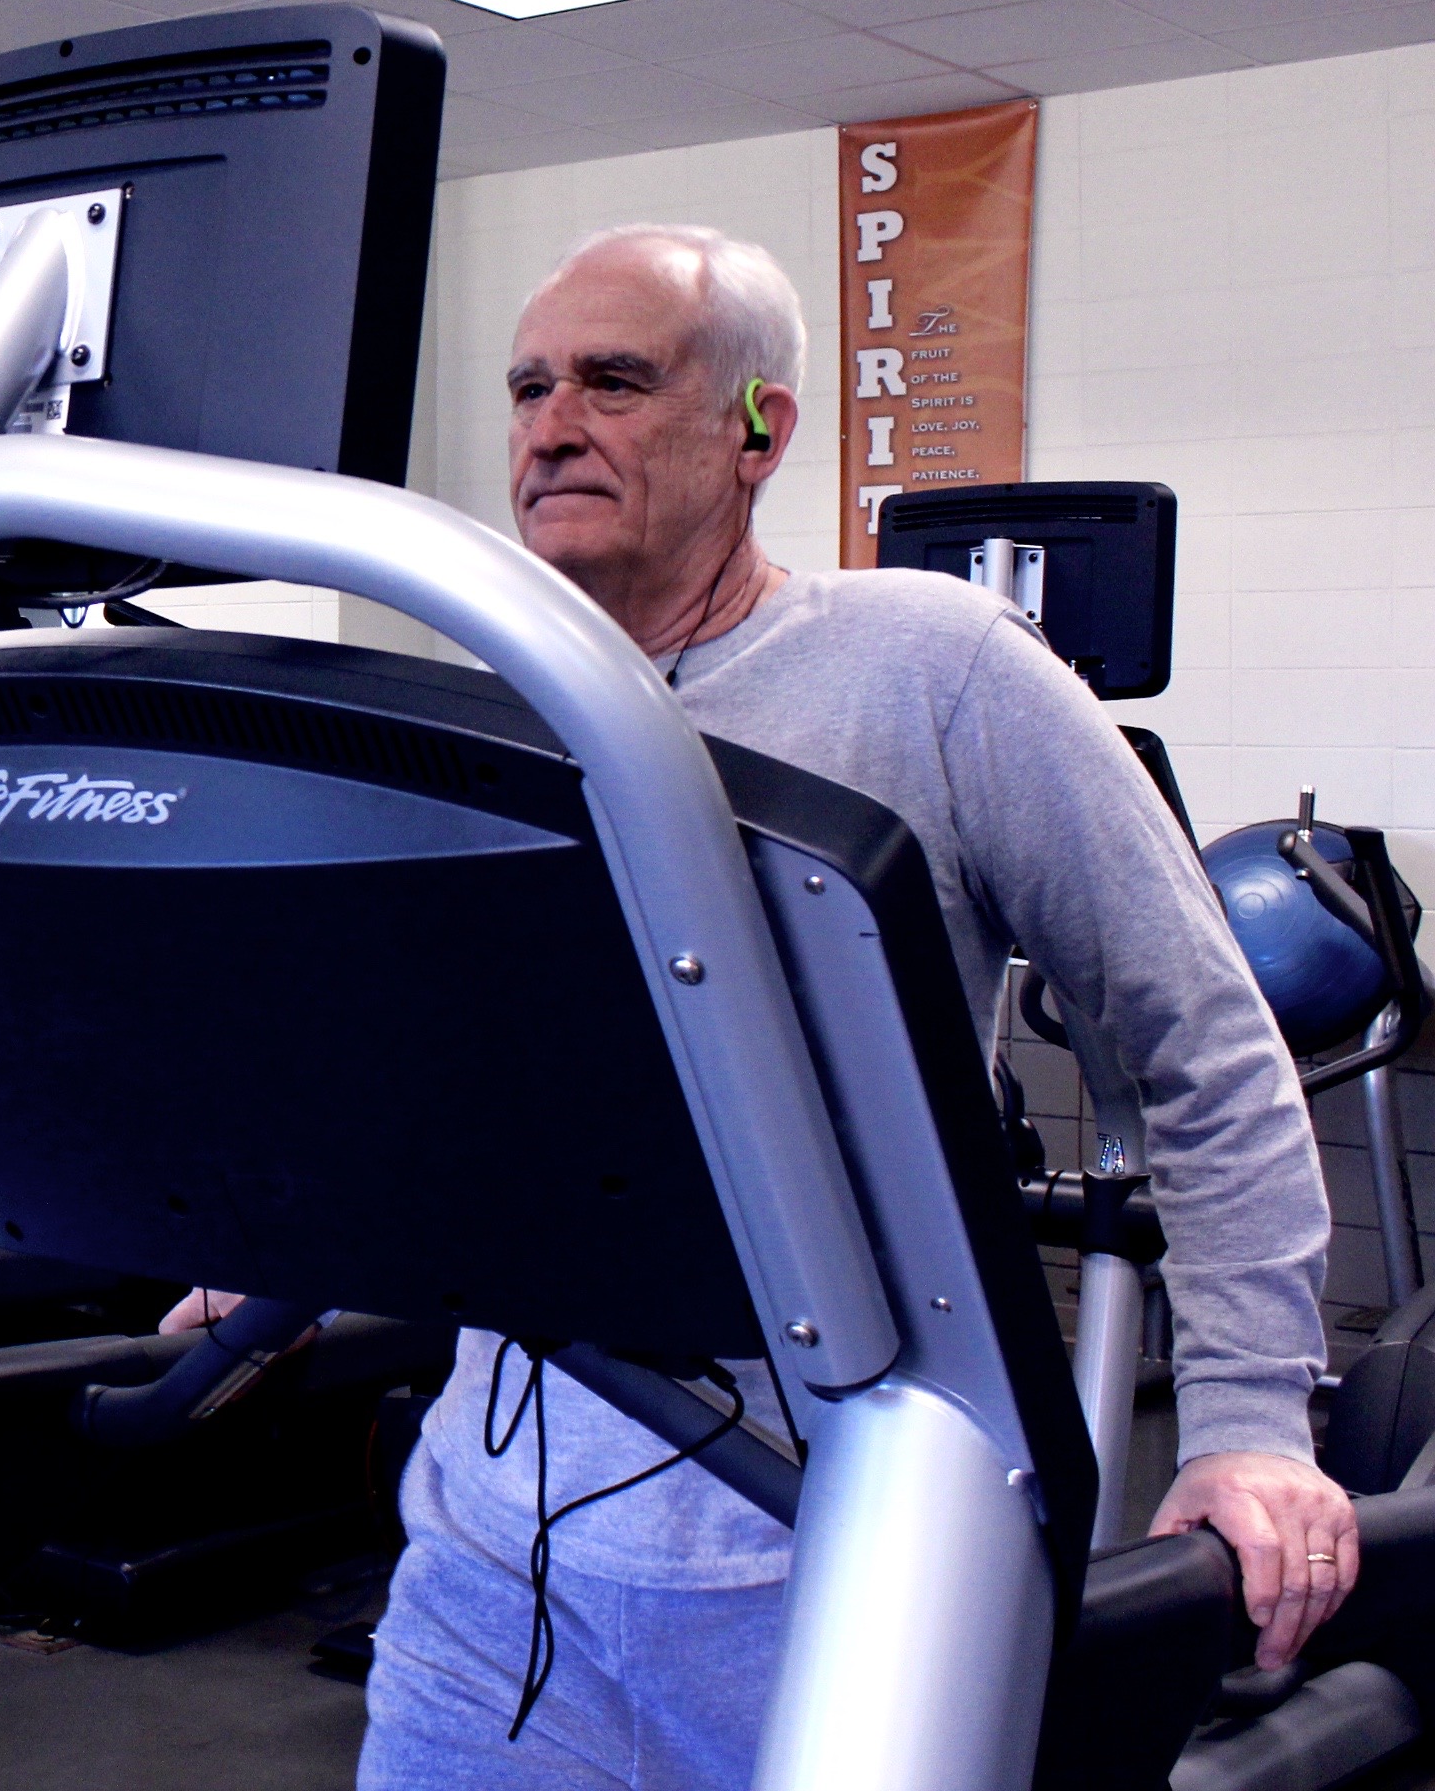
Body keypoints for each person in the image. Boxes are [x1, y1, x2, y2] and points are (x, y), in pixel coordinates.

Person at [347, 224, 1344, 1786]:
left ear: (760, 431)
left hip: (831, 1570)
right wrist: (269, 1264)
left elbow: (1206, 1055)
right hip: (491, 1575)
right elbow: (436, 1081)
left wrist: (1248, 1424)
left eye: (616, 381)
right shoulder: (489, 704)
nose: (553, 427)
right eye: (531, 388)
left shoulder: (934, 670)